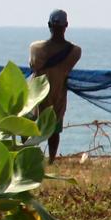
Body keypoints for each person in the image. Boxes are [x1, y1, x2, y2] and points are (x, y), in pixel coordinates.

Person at [29, 9, 84, 161]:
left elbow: (33, 65)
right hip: (58, 94)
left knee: (28, 124)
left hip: (37, 93)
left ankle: (28, 155)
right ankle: (51, 159)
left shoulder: (36, 48)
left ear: (49, 25)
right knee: (54, 129)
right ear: (66, 25)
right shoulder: (74, 51)